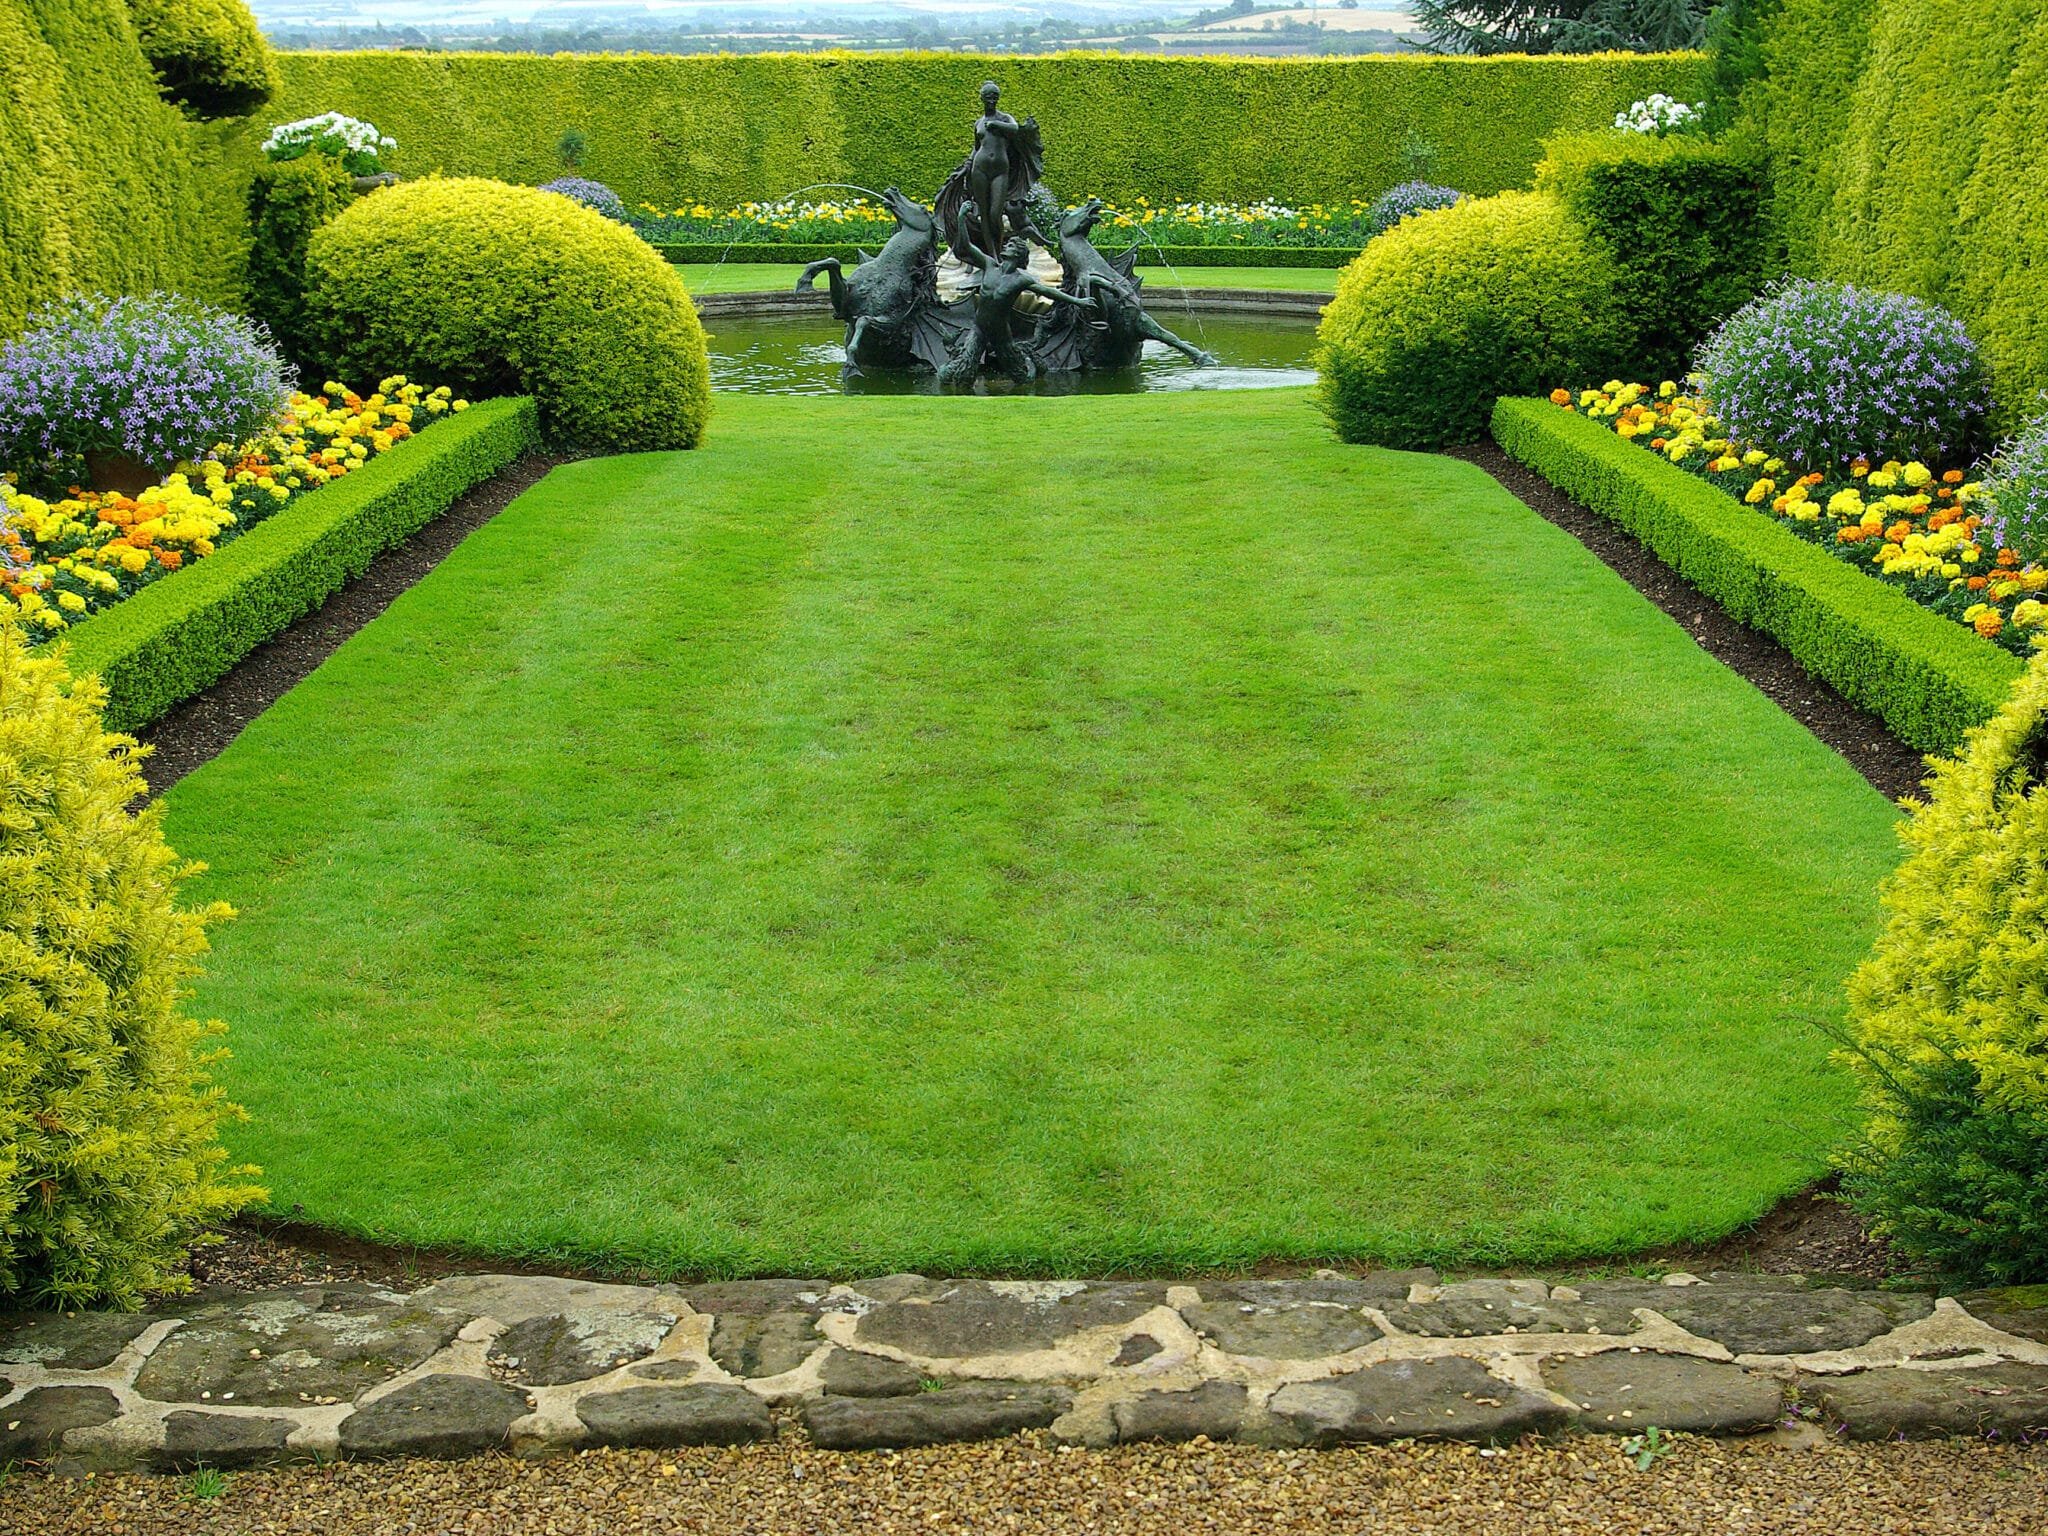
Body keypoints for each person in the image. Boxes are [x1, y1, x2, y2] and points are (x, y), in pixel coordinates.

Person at [941, 236, 1097, 387]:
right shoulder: (989, 265)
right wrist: (961, 218)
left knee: (1022, 379)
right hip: (979, 328)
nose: (1005, 246)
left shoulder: (1021, 279)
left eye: (1010, 246)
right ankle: (948, 374)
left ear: (1018, 254)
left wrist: (1078, 301)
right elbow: (966, 245)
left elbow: (1049, 292)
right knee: (964, 376)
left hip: (1000, 333)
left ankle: (1031, 363)